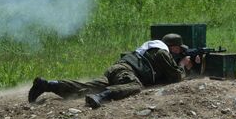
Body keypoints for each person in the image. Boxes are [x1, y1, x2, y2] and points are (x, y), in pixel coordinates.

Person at [28, 36, 194, 108]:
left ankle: (48, 85)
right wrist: (184, 65)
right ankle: (102, 96)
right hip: (127, 72)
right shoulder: (162, 52)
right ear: (174, 47)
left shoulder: (152, 47)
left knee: (87, 86)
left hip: (117, 68)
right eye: (178, 50)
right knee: (135, 86)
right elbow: (175, 77)